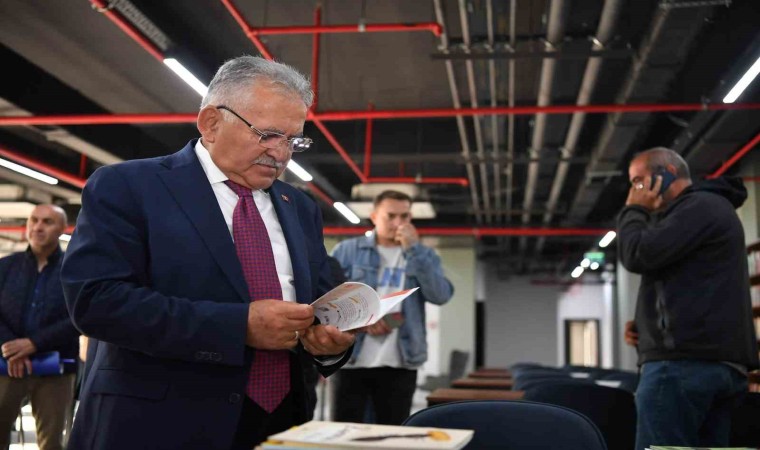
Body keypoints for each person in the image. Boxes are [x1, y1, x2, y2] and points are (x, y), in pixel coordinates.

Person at [60, 55, 356, 450]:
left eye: (292, 140)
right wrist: (238, 327)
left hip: (282, 423)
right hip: (161, 426)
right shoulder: (129, 186)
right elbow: (96, 302)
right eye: (268, 135)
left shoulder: (299, 207)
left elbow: (316, 301)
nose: (281, 154)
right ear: (211, 123)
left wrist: (329, 340)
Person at [617, 147, 759, 450]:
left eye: (639, 181)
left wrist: (634, 210)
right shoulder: (699, 211)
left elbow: (637, 253)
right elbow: (691, 286)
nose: (635, 190)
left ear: (668, 172)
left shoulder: (698, 206)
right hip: (705, 365)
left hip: (683, 367)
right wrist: (646, 325)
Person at [330, 190, 454, 425]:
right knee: (345, 431)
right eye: (391, 216)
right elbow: (329, 298)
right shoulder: (348, 250)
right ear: (374, 216)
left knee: (393, 432)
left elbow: (440, 296)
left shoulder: (423, 255)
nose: (398, 223)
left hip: (401, 361)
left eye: (404, 216)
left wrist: (414, 249)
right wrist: (362, 320)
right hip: (351, 358)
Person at [0, 204, 79, 450]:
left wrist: (34, 344)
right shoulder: (6, 267)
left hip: (57, 368)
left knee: (52, 441)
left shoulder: (74, 271)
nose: (38, 227)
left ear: (62, 228)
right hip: (7, 366)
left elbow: (79, 317)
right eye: (34, 220)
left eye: (47, 222)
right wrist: (12, 347)